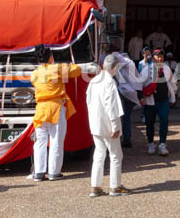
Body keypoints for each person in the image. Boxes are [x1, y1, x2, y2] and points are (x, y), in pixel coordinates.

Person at [28, 50, 82, 181]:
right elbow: (76, 70)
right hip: (56, 107)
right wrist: (68, 63)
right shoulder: (56, 69)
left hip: (41, 109)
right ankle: (54, 172)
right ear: (51, 57)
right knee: (56, 141)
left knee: (40, 142)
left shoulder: (34, 74)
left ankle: (39, 173)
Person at [87, 55, 126, 197]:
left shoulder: (95, 80)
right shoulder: (109, 82)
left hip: (96, 122)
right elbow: (112, 106)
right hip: (108, 124)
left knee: (99, 154)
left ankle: (95, 186)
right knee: (116, 155)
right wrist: (115, 126)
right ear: (115, 67)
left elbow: (89, 101)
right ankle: (114, 187)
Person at [139, 48, 176, 155]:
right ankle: (150, 144)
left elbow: (172, 83)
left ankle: (162, 144)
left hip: (163, 100)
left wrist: (173, 98)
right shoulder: (146, 69)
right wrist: (141, 98)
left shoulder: (166, 68)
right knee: (149, 123)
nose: (160, 58)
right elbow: (139, 84)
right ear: (153, 57)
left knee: (164, 121)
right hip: (150, 101)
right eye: (157, 56)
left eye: (161, 56)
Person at [111, 51, 143, 148]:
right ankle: (125, 138)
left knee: (124, 117)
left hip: (128, 93)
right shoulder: (129, 63)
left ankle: (126, 139)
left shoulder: (126, 63)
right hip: (131, 92)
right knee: (125, 116)